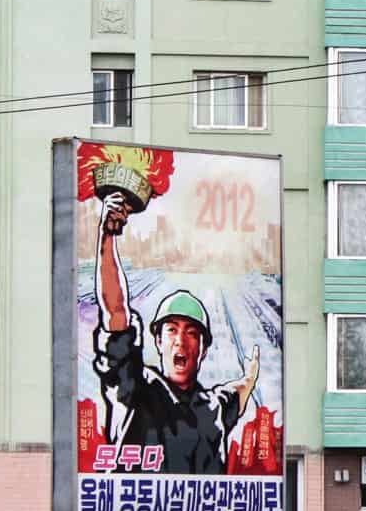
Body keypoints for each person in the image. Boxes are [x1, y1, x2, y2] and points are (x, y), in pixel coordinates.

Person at [92, 179, 260, 474]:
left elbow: (240, 391)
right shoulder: (137, 389)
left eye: (192, 332)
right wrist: (107, 236)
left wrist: (250, 377)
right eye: (171, 330)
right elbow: (116, 312)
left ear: (204, 348)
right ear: (157, 340)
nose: (181, 340)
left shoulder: (213, 407)